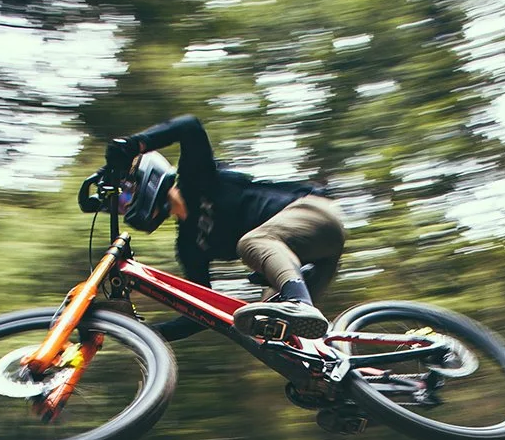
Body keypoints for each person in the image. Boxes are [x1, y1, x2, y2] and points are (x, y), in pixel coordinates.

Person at [106, 114, 345, 342]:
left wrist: (136, 144)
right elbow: (199, 312)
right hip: (306, 262)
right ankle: (342, 365)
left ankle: (299, 303)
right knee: (267, 331)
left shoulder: (196, 178)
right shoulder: (189, 246)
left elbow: (189, 126)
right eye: (123, 206)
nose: (127, 206)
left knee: (251, 243)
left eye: (127, 196)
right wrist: (142, 334)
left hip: (314, 214)